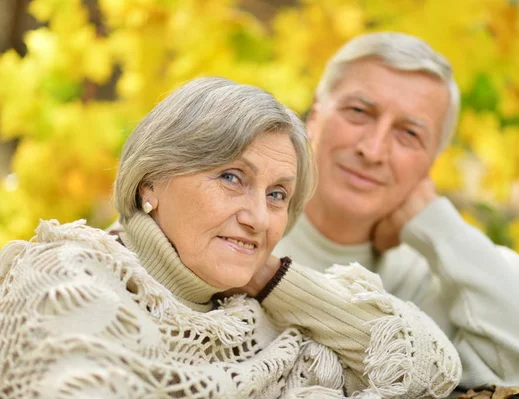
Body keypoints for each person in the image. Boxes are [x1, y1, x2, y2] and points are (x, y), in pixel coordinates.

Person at [0, 77, 461, 398]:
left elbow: (432, 369)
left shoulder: (258, 322)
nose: (259, 217)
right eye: (232, 178)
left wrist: (272, 279)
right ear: (150, 183)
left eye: (278, 194)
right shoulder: (66, 279)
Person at [274, 32, 519, 391]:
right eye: (358, 112)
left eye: (409, 134)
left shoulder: (431, 287)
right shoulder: (239, 230)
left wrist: (435, 222)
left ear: (431, 163)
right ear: (315, 114)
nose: (373, 150)